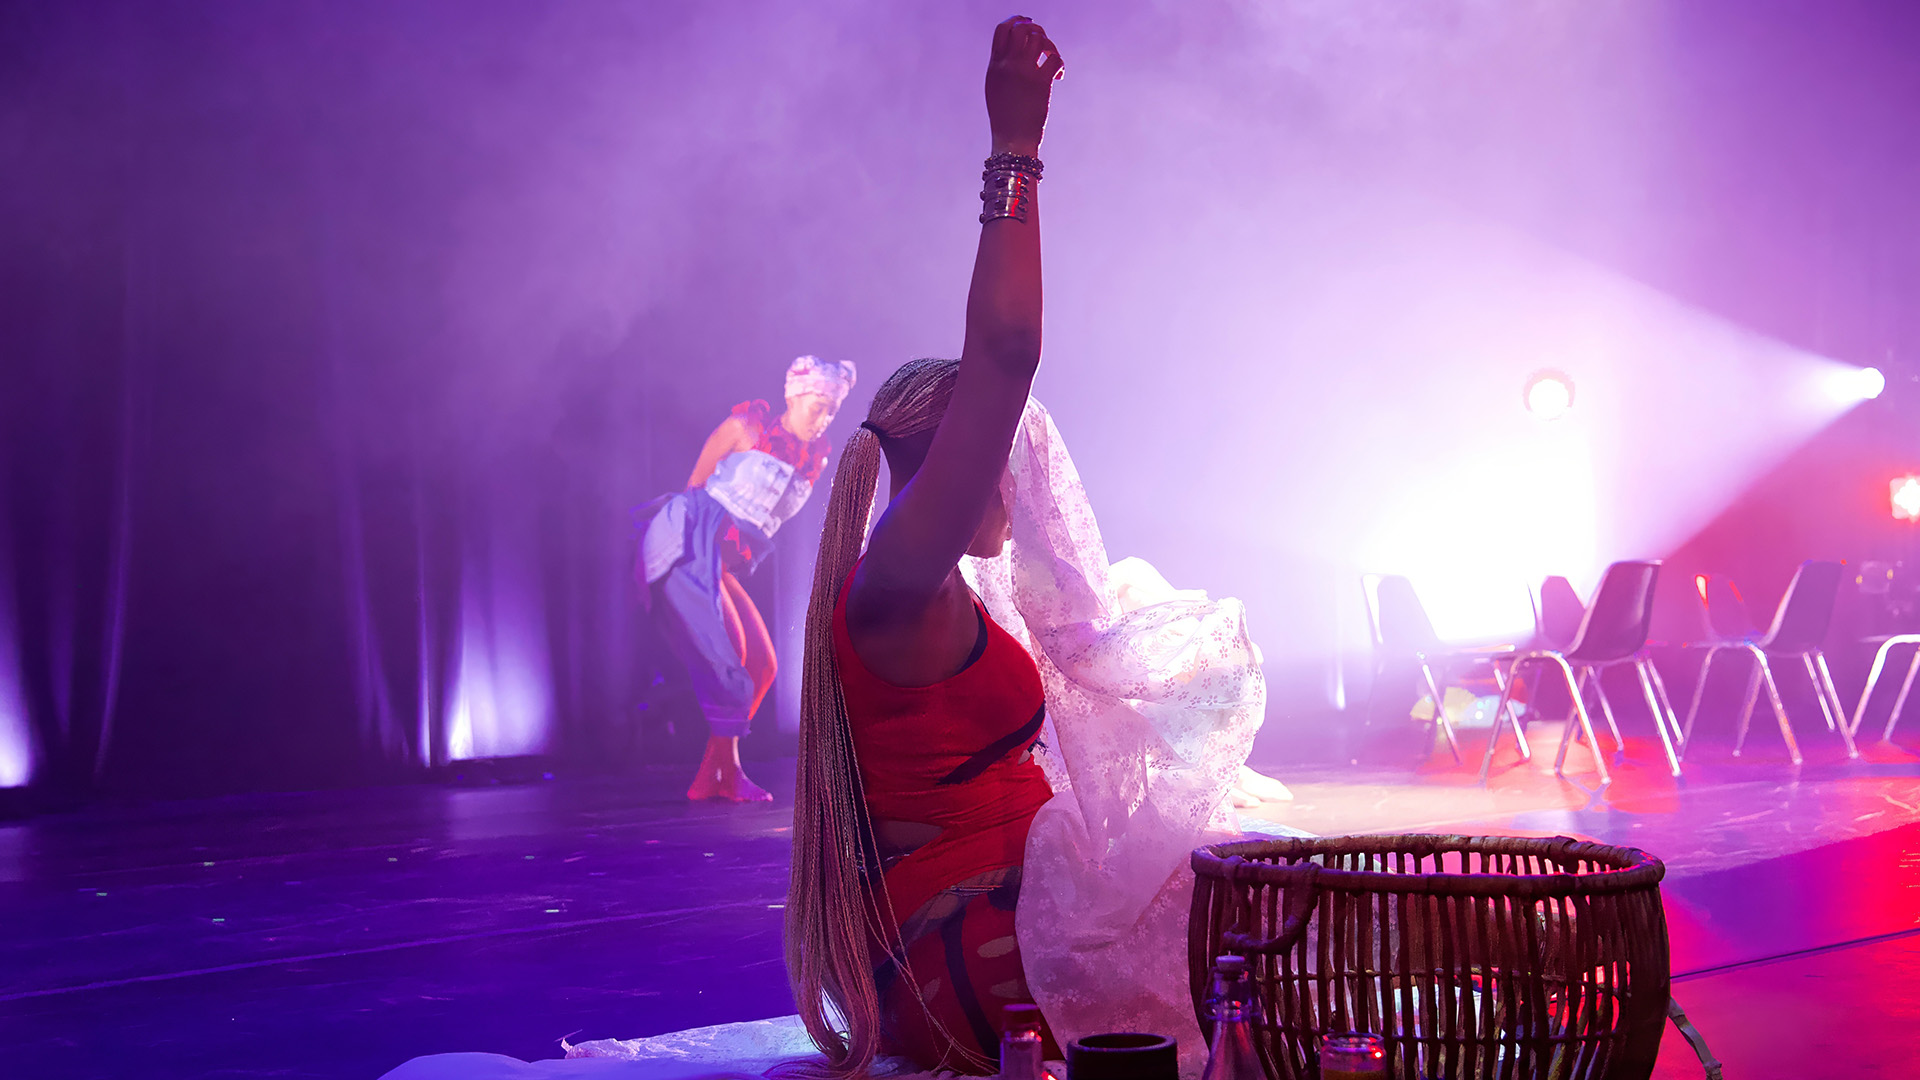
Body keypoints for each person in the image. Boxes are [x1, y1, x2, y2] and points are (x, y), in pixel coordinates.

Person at [784, 16, 1065, 1075]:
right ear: (951, 462)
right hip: (966, 959)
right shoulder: (897, 583)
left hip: (972, 937)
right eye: (1001, 453)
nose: (1019, 481)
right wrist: (1016, 149)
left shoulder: (917, 591)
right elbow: (1005, 352)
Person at [637, 354, 857, 802]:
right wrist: (700, 560)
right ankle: (728, 772)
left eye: (833, 410)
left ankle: (711, 774)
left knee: (764, 665)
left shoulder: (808, 462)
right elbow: (695, 489)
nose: (825, 418)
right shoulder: (745, 430)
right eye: (819, 406)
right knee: (733, 654)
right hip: (689, 544)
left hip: (719, 562)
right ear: (793, 398)